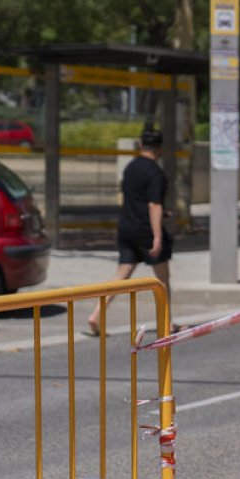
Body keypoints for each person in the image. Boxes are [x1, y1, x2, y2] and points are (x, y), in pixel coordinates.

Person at [86, 127, 177, 336]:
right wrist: (157, 237)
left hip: (127, 227)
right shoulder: (156, 173)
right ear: (160, 148)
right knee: (162, 279)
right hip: (146, 231)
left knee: (121, 275)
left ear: (140, 144)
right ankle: (167, 322)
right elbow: (154, 205)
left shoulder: (130, 168)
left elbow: (137, 200)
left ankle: (96, 314)